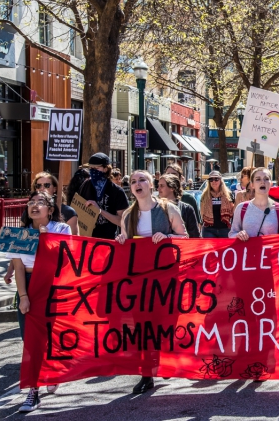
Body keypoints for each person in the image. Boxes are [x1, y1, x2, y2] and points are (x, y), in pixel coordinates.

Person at [115, 170, 188, 394]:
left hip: (165, 278)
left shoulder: (168, 209)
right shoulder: (129, 215)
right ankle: (146, 375)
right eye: (134, 181)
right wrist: (120, 240)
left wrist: (168, 238)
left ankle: (164, 357)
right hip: (140, 281)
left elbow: (186, 237)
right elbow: (125, 243)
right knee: (142, 326)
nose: (138, 184)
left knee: (165, 323)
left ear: (151, 184)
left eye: (142, 180)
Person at [4, 191, 71, 411]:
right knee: (30, 341)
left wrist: (45, 238)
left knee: (52, 337)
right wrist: (23, 296)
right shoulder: (19, 234)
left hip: (53, 286)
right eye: (30, 202)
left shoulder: (61, 229)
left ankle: (51, 371)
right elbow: (19, 267)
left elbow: (64, 261)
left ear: (50, 209)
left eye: (40, 202)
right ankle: (34, 391)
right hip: (30, 285)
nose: (34, 206)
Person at [78, 153, 129, 240]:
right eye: (91, 168)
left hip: (108, 240)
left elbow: (123, 221)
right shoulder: (86, 185)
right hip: (88, 239)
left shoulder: (116, 191)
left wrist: (100, 211)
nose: (93, 171)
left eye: (96, 168)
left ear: (105, 169)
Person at [229, 168, 279, 239]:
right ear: (252, 185)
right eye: (258, 179)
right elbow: (232, 234)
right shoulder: (241, 208)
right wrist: (238, 235)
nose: (262, 182)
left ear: (271, 184)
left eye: (266, 179)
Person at [157, 174, 201, 238]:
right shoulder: (155, 208)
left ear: (172, 188)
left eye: (162, 186)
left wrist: (168, 237)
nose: (158, 189)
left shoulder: (187, 209)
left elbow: (194, 235)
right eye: (158, 186)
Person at [200, 171, 235, 238]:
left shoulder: (228, 194)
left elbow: (233, 211)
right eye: (211, 179)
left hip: (225, 229)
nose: (214, 181)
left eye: (216, 179)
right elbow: (202, 213)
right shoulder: (205, 195)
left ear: (221, 180)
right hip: (209, 229)